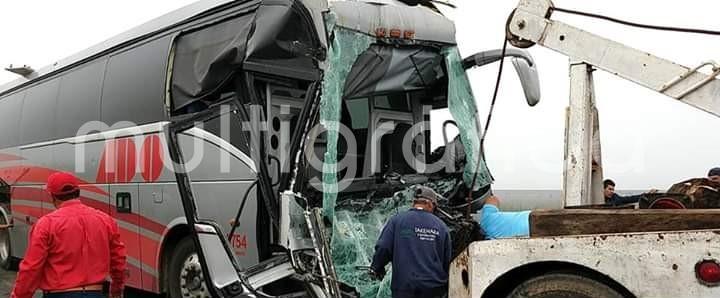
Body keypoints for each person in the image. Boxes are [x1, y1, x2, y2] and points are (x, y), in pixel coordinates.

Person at [12, 172, 127, 298]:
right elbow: (118, 260)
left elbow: (31, 268)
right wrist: (116, 288)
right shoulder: (106, 220)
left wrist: (19, 295)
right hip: (96, 292)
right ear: (78, 192)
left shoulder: (46, 224)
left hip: (59, 294)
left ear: (52, 196)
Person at [370, 186, 452, 298]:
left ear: (414, 203)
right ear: (430, 204)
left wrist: (376, 267)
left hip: (404, 288)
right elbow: (446, 262)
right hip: (433, 289)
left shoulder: (397, 221)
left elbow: (383, 248)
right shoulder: (442, 227)